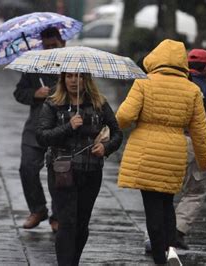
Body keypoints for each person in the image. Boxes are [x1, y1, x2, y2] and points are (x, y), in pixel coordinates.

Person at [116, 39, 206, 265]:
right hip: (174, 152)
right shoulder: (193, 90)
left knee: (152, 207)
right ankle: (171, 250)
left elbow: (125, 116)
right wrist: (204, 162)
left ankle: (160, 257)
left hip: (145, 152)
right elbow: (199, 131)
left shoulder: (144, 83)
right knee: (167, 202)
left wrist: (108, 130)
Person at [36, 72, 122, 265]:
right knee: (67, 223)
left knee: (82, 224)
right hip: (62, 170)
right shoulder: (53, 103)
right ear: (63, 79)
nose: (74, 81)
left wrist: (106, 147)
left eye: (79, 76)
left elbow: (117, 132)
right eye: (69, 77)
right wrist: (69, 126)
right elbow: (42, 136)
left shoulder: (99, 103)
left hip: (91, 171)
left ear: (87, 79)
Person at [13, 27, 65, 232]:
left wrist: (56, 93)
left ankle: (58, 216)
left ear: (63, 43)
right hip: (35, 126)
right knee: (27, 167)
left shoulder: (71, 65)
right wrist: (35, 93)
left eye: (54, 45)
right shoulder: (33, 65)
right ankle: (38, 209)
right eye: (47, 45)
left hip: (61, 127)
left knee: (59, 174)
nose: (50, 48)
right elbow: (19, 93)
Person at [174, 48, 206, 249]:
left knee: (163, 190)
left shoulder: (176, 84)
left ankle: (156, 234)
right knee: (195, 191)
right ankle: (177, 231)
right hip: (196, 143)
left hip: (171, 141)